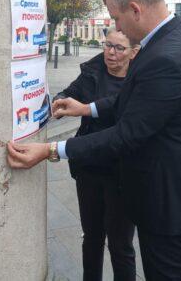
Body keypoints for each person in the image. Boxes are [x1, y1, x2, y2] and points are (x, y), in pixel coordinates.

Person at [7, 0, 181, 280]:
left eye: (116, 18)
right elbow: (134, 101)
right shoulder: (172, 40)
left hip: (169, 199)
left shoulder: (166, 56)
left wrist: (51, 150)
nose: (117, 27)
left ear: (135, 9)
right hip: (172, 188)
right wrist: (86, 108)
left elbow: (126, 134)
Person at [53, 28, 138, 281]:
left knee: (120, 245)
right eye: (108, 45)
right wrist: (60, 100)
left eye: (119, 48)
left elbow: (122, 111)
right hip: (89, 167)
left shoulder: (140, 80)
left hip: (122, 173)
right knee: (91, 237)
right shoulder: (93, 72)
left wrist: (84, 109)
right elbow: (70, 92)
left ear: (134, 52)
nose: (111, 53)